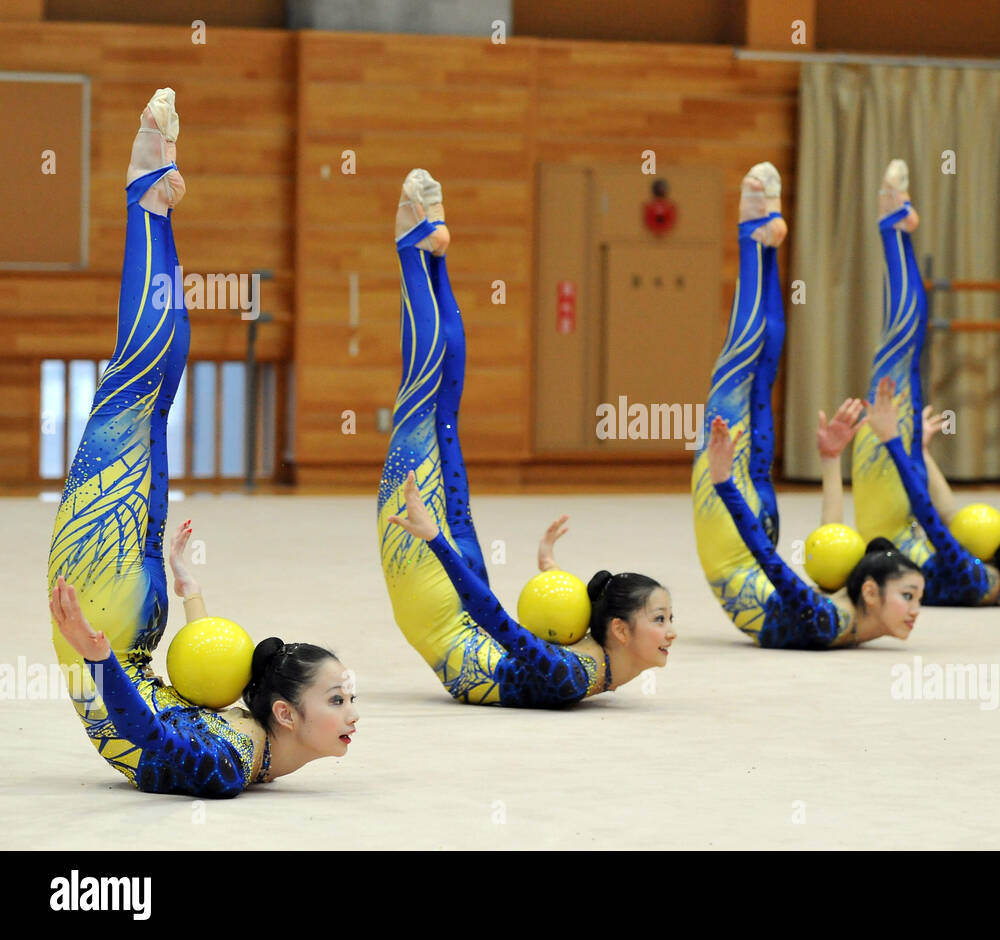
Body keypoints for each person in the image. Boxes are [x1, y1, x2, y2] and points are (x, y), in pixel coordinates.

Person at [47, 90, 356, 798]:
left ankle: (146, 202)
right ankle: (151, 206)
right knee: (155, 391)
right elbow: (209, 671)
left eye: (339, 697)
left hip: (106, 616)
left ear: (285, 712)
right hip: (139, 622)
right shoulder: (249, 744)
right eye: (342, 697)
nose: (351, 714)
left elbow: (152, 739)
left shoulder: (226, 768)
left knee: (137, 381)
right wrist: (190, 589)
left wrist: (97, 660)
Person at [380, 171, 673, 706]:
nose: (672, 631)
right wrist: (551, 575)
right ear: (618, 630)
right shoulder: (579, 675)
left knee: (424, 401)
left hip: (438, 586)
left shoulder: (576, 672)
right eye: (662, 618)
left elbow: (501, 624)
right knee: (440, 412)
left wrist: (433, 538)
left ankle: (417, 250)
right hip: (455, 578)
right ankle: (428, 252)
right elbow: (505, 624)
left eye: (664, 619)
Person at [693, 164, 923, 648]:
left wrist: (721, 484)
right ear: (870, 592)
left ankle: (753, 239)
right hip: (749, 526)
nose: (917, 610)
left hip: (736, 533)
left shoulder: (832, 621)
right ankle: (759, 241)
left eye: (915, 597)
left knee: (742, 367)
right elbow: (825, 548)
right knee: (759, 376)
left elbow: (775, 564)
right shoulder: (834, 621)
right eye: (909, 595)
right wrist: (831, 461)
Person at [853, 160, 1000, 604]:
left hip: (890, 485)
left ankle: (891, 227)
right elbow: (941, 515)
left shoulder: (975, 581)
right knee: (907, 338)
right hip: (896, 481)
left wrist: (895, 443)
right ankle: (893, 227)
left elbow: (935, 518)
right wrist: (917, 453)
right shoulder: (979, 580)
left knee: (903, 336)